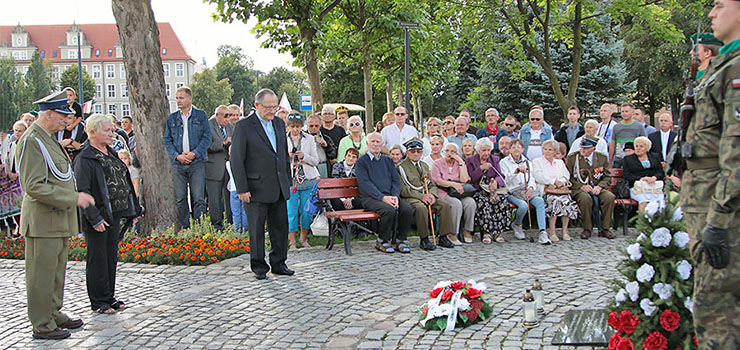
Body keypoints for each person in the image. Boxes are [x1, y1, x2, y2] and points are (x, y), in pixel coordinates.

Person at [682, 3, 740, 346]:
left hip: (723, 213)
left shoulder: (736, 71)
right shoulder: (724, 66)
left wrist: (717, 220)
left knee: (715, 311)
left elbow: (736, 154)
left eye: (720, 4)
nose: (711, 12)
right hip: (708, 203)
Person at [17, 94, 95, 339]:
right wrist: (73, 199)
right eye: (62, 116)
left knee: (56, 271)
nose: (66, 121)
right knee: (41, 273)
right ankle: (42, 323)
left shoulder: (47, 139)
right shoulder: (32, 140)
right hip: (42, 220)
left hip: (56, 219)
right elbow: (34, 186)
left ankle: (52, 311)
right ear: (47, 114)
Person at [74, 114, 141, 315]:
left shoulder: (110, 152)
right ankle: (98, 300)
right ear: (92, 132)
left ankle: (109, 296)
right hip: (98, 215)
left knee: (110, 256)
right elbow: (83, 191)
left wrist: (134, 208)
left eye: (112, 130)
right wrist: (94, 217)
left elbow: (123, 180)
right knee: (97, 258)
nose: (112, 134)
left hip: (115, 213)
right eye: (107, 131)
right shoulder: (85, 157)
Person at [230, 88, 293, 280]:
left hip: (279, 186)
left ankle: (279, 263)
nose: (272, 111)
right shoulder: (244, 126)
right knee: (257, 230)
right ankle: (259, 267)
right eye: (268, 107)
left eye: (275, 107)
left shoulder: (279, 124)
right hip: (255, 187)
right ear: (257, 105)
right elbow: (237, 159)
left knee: (280, 228)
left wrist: (287, 181)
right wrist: (242, 188)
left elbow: (282, 154)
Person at [356, 132, 414, 253]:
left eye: (378, 142)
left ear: (382, 144)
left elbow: (395, 180)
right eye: (373, 141)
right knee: (389, 210)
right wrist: (382, 198)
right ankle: (382, 240)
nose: (375, 144)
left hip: (389, 196)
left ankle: (399, 240)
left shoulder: (388, 160)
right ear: (367, 143)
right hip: (370, 198)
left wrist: (395, 197)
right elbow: (365, 184)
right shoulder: (362, 161)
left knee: (407, 209)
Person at [163, 86, 211, 229]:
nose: (178, 101)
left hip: (197, 162)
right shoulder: (172, 118)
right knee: (180, 198)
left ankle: (199, 227)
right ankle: (185, 227)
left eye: (181, 98)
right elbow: (167, 139)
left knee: (198, 198)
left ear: (189, 99)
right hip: (178, 163)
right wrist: (176, 156)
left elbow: (207, 138)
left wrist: (194, 153)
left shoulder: (200, 116)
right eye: (177, 98)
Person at [398, 138, 458, 250]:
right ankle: (424, 239)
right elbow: (404, 190)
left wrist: (433, 195)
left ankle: (443, 236)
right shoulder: (401, 167)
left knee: (444, 205)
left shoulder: (424, 165)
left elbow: (431, 184)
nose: (416, 154)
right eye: (413, 151)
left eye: (419, 151)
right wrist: (422, 196)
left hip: (427, 196)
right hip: (411, 197)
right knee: (421, 208)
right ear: (407, 152)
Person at [500, 139, 551, 244]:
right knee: (523, 206)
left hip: (526, 189)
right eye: (513, 147)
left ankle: (543, 232)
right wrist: (516, 171)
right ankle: (517, 224)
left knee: (540, 201)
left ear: (523, 149)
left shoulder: (528, 162)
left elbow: (532, 177)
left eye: (518, 147)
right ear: (509, 149)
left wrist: (531, 188)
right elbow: (504, 181)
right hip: (512, 191)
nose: (516, 149)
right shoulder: (504, 162)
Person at [565, 136, 615, 239]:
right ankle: (587, 228)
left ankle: (605, 228)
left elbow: (607, 177)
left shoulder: (602, 158)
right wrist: (581, 186)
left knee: (609, 197)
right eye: (581, 147)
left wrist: (600, 187)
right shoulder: (573, 158)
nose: (583, 150)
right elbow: (568, 177)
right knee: (585, 199)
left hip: (597, 186)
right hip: (579, 188)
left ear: (594, 148)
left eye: (586, 148)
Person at [285, 112, 320, 249]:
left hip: (307, 180)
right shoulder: (282, 139)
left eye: (298, 127)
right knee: (291, 212)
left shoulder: (309, 139)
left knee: (306, 212)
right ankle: (292, 241)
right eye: (292, 126)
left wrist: (304, 156)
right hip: (290, 181)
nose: (295, 129)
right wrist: (287, 157)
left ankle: (304, 239)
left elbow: (315, 160)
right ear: (288, 126)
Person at [533, 140, 579, 242]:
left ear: (555, 151)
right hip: (546, 190)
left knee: (566, 201)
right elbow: (538, 176)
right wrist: (552, 182)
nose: (547, 152)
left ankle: (565, 231)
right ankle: (552, 232)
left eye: (550, 150)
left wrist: (560, 183)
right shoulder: (537, 162)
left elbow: (566, 175)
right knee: (555, 201)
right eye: (545, 149)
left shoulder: (559, 162)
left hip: (560, 190)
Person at [466, 137, 511, 244]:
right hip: (478, 190)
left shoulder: (495, 159)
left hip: (493, 190)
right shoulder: (471, 160)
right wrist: (481, 169)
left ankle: (498, 232)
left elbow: (500, 175)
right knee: (484, 203)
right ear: (478, 150)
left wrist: (496, 182)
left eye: (488, 150)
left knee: (502, 201)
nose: (486, 153)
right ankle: (486, 232)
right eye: (483, 150)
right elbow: (471, 178)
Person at [432, 143, 477, 244]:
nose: (449, 153)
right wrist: (453, 184)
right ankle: (452, 233)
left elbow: (464, 179)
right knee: (456, 204)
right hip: (443, 191)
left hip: (460, 192)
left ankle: (467, 231)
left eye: (452, 152)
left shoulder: (459, 163)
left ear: (457, 153)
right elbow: (437, 180)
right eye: (447, 151)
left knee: (471, 203)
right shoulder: (437, 163)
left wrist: (460, 161)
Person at [205, 105, 235, 230]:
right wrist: (222, 143)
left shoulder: (230, 128)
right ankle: (216, 224)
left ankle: (230, 222)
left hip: (228, 167)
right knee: (215, 198)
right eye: (225, 116)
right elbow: (206, 145)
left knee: (229, 197)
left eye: (229, 116)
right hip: (213, 167)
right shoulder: (208, 126)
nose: (227, 119)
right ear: (217, 115)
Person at [622, 136, 665, 212]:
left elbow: (660, 172)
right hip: (637, 188)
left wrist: (654, 177)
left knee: (661, 200)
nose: (638, 148)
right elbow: (626, 175)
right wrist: (641, 179)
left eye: (641, 146)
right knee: (643, 200)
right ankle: (643, 223)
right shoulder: (628, 159)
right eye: (636, 146)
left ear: (647, 148)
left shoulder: (655, 156)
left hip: (654, 187)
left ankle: (659, 222)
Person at [609, 103, 646, 168]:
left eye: (626, 111)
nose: (624, 113)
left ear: (632, 112)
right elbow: (613, 145)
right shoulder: (616, 127)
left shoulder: (639, 126)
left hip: (634, 159)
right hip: (618, 159)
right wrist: (610, 161)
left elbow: (644, 144)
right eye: (622, 111)